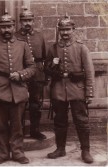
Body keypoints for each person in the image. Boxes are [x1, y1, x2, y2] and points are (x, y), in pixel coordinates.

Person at [0, 12, 36, 164]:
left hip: (18, 90)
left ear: (14, 27)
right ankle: (2, 153)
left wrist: (21, 74)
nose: (6, 30)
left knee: (17, 126)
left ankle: (18, 153)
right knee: (0, 126)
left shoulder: (22, 45)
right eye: (3, 27)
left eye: (9, 26)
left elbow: (32, 67)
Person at [45, 15, 95, 164]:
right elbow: (46, 69)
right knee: (60, 121)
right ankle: (60, 149)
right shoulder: (53, 48)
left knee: (81, 121)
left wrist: (89, 92)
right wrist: (53, 65)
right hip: (59, 90)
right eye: (62, 30)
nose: (65, 33)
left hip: (77, 90)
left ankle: (85, 151)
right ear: (59, 31)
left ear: (73, 30)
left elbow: (89, 72)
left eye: (68, 29)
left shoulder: (81, 48)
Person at [15, 8, 47, 140]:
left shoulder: (39, 36)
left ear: (33, 21)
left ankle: (35, 130)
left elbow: (44, 56)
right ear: (20, 22)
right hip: (22, 71)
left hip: (37, 73)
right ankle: (19, 131)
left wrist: (44, 75)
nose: (27, 23)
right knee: (20, 102)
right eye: (24, 21)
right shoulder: (15, 36)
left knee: (36, 103)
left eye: (29, 20)